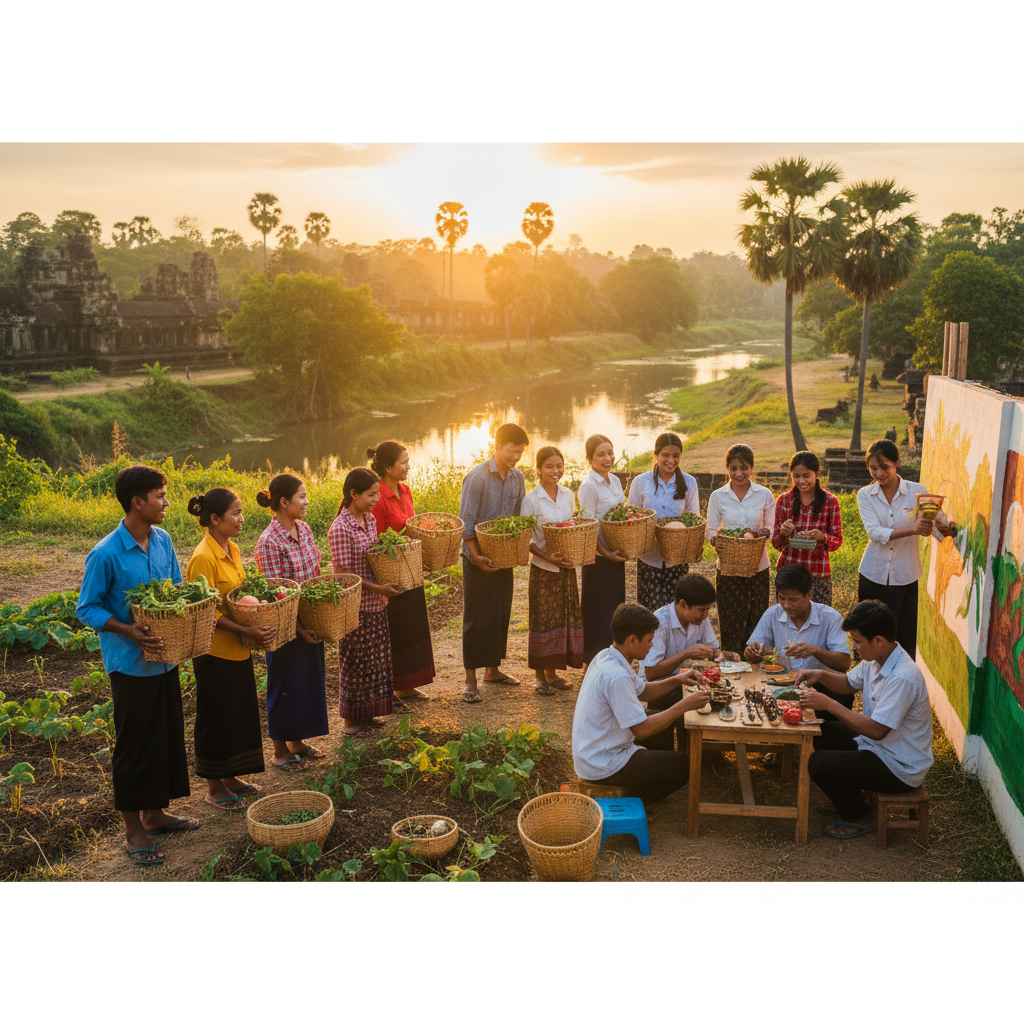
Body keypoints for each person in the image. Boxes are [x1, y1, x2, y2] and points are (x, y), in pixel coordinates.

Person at [76, 465, 200, 867]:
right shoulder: (106, 552)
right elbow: (87, 608)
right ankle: (134, 830)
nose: (166, 503)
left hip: (165, 659)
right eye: (160, 496)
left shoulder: (162, 540)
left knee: (163, 737)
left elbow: (176, 586)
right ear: (137, 502)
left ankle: (155, 814)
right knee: (134, 746)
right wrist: (128, 630)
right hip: (130, 665)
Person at [796, 600, 933, 839]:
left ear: (878, 640)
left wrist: (829, 704)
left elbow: (877, 730)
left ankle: (860, 814)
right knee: (821, 731)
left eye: (857, 641)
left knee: (818, 764)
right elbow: (848, 684)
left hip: (898, 766)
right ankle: (850, 797)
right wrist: (820, 675)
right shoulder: (876, 659)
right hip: (879, 748)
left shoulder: (902, 676)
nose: (854, 647)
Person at [571, 603, 710, 803]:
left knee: (661, 720)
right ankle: (628, 800)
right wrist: (685, 704)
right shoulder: (616, 675)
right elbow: (642, 730)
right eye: (649, 640)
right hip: (604, 763)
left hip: (597, 750)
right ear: (632, 640)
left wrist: (678, 679)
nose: (651, 645)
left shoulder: (608, 656)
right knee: (683, 767)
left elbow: (643, 691)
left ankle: (654, 774)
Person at [185, 488, 270, 811]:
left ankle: (232, 777)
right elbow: (208, 612)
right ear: (215, 519)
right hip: (214, 651)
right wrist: (245, 628)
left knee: (238, 713)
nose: (241, 519)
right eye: (235, 513)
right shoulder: (203, 558)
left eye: (241, 512)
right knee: (216, 718)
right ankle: (213, 786)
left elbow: (236, 597)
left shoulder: (231, 547)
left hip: (237, 647)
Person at [856, 438, 957, 659]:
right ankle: (870, 683)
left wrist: (946, 528)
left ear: (897, 463)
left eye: (885, 467)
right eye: (873, 468)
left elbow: (934, 523)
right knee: (869, 635)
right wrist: (913, 528)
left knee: (902, 637)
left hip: (906, 575)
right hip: (873, 574)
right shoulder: (865, 494)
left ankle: (899, 686)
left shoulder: (917, 491)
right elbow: (875, 532)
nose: (879, 473)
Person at [254, 474, 328, 770]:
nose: (306, 502)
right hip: (284, 625)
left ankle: (297, 742)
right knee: (283, 683)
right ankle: (279, 751)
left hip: (308, 618)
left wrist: (317, 615)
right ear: (284, 503)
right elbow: (276, 594)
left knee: (306, 681)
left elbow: (316, 570)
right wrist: (298, 627)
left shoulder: (305, 529)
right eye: (302, 497)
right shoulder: (269, 542)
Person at [457, 422, 529, 703]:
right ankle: (470, 679)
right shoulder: (477, 478)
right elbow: (467, 524)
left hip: (504, 557)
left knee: (500, 614)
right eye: (512, 451)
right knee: (477, 619)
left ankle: (493, 670)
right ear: (497, 447)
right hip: (477, 560)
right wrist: (476, 556)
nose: (515, 457)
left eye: (520, 452)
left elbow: (519, 517)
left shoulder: (517, 478)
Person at [329, 468, 402, 738]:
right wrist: (378, 586)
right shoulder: (340, 528)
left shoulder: (369, 519)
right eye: (371, 495)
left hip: (377, 603)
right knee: (356, 662)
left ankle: (368, 714)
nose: (376, 500)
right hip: (356, 607)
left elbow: (373, 555)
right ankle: (351, 723)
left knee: (374, 661)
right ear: (353, 494)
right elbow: (346, 576)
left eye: (377, 494)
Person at [367, 440, 437, 701]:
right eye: (403, 463)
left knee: (413, 625)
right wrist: (405, 536)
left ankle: (408, 684)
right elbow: (377, 540)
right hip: (391, 570)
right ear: (388, 467)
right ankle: (397, 684)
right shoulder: (378, 496)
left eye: (408, 461)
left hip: (410, 567)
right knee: (398, 629)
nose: (408, 466)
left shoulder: (405, 491)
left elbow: (412, 525)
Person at [744, 563, 853, 712]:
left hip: (823, 688)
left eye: (793, 600)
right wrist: (752, 653)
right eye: (781, 598)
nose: (786, 605)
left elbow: (844, 663)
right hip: (784, 685)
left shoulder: (830, 618)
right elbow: (755, 653)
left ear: (809, 595)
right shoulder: (772, 614)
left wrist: (816, 651)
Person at [520, 445, 584, 695]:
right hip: (544, 569)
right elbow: (528, 540)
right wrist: (549, 558)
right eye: (549, 466)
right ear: (538, 469)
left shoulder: (568, 494)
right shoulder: (531, 500)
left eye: (559, 465)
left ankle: (553, 673)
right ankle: (539, 678)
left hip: (566, 567)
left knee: (563, 619)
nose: (555, 470)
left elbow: (569, 527)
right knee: (543, 621)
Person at [705, 443, 775, 656]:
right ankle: (731, 666)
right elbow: (711, 528)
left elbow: (771, 526)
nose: (739, 473)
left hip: (758, 566)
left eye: (744, 467)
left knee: (756, 621)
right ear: (727, 469)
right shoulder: (718, 496)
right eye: (733, 468)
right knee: (731, 622)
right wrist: (715, 539)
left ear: (751, 468)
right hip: (728, 567)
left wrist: (764, 531)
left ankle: (755, 667)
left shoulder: (764, 494)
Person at [628, 431, 700, 611]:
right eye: (665, 455)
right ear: (656, 455)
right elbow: (632, 517)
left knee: (677, 613)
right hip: (648, 559)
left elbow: (694, 520)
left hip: (677, 560)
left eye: (676, 456)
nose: (671, 460)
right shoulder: (640, 482)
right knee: (650, 613)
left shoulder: (689, 483)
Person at [577, 434, 627, 665]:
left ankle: (612, 658)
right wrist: (606, 554)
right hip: (598, 559)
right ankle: (593, 662)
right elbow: (588, 526)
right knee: (597, 610)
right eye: (601, 455)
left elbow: (620, 517)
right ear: (589, 459)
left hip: (616, 555)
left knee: (614, 609)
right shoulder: (588, 486)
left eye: (610, 452)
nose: (608, 458)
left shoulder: (615, 481)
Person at [771, 450, 842, 606]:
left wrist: (822, 537)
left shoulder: (830, 501)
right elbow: (776, 544)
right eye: (796, 476)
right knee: (789, 619)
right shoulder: (784, 500)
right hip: (789, 570)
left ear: (817, 474)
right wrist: (784, 534)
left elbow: (836, 541)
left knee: (819, 621)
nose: (801, 481)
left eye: (806, 476)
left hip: (818, 572)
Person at [643, 574, 739, 683]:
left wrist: (724, 655)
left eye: (708, 609)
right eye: (702, 610)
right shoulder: (660, 622)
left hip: (687, 682)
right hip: (662, 688)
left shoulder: (700, 618)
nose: (706, 615)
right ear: (683, 604)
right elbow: (650, 673)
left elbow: (713, 650)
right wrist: (685, 654)